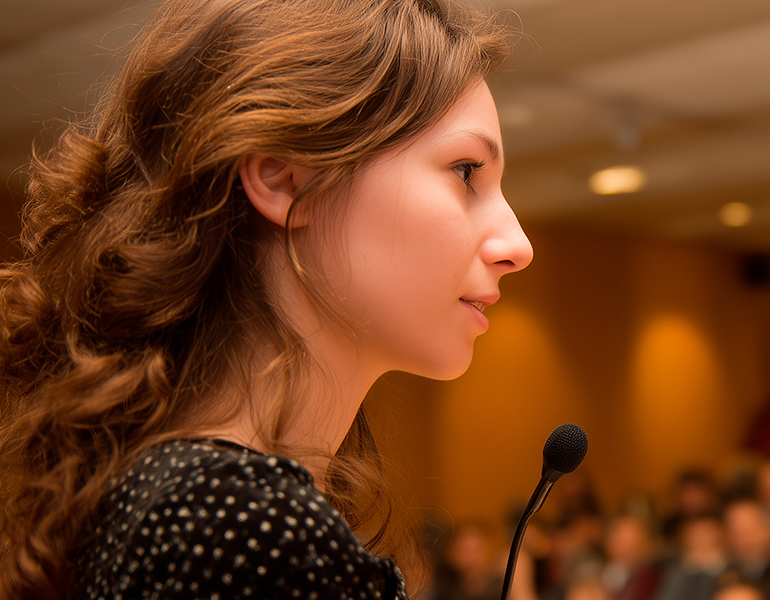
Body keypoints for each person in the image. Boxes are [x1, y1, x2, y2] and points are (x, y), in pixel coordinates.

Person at [0, 0, 531, 598]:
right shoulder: (238, 529)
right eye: (466, 171)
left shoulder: (200, 507)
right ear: (284, 177)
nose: (518, 245)